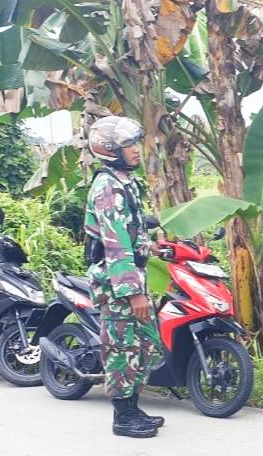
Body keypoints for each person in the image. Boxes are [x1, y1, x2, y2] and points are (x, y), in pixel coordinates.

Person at [84, 115, 165, 438]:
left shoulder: (124, 182)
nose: (135, 151)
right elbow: (116, 244)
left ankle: (132, 405)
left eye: (134, 144)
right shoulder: (107, 188)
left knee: (145, 344)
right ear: (109, 151)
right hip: (117, 284)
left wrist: (155, 247)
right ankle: (122, 416)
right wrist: (133, 293)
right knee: (122, 347)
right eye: (128, 146)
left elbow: (131, 231)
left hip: (132, 277)